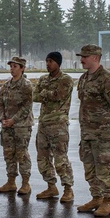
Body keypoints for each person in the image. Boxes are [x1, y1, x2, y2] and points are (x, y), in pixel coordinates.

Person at [75, 44, 110, 217]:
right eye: (81, 56)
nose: (81, 59)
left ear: (95, 57)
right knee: (89, 166)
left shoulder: (106, 79)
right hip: (87, 131)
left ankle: (108, 200)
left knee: (104, 167)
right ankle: (96, 197)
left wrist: (107, 123)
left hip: (103, 133)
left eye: (85, 56)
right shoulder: (83, 78)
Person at [32, 51, 75, 202]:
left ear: (58, 62)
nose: (48, 64)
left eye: (50, 61)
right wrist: (47, 93)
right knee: (42, 157)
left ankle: (68, 189)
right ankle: (51, 186)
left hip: (58, 125)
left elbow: (59, 95)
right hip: (44, 124)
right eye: (46, 61)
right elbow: (35, 96)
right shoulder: (43, 79)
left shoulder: (66, 79)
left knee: (60, 158)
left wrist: (45, 93)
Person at [0, 56, 34, 194]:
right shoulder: (6, 85)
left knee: (21, 154)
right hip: (7, 126)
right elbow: (0, 104)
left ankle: (25, 183)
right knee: (8, 154)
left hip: (22, 126)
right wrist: (2, 119)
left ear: (22, 68)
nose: (12, 69)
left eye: (15, 66)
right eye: (11, 66)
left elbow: (26, 107)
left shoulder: (26, 85)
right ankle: (11, 182)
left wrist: (14, 120)